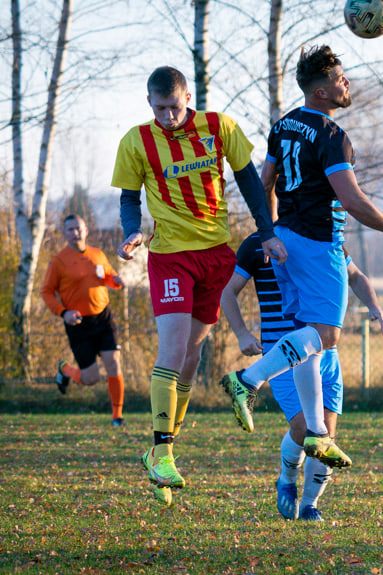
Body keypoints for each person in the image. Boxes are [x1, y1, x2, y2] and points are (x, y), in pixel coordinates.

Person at [219, 45, 383, 469]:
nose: (347, 84)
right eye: (341, 79)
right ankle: (247, 379)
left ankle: (316, 434)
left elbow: (265, 181)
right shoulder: (331, 136)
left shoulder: (283, 125)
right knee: (326, 337)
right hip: (319, 242)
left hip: (287, 240)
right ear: (322, 91)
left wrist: (269, 233)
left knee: (307, 338)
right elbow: (353, 201)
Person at [111, 66, 285, 506]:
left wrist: (266, 230)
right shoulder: (137, 141)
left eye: (175, 106)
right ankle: (165, 453)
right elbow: (129, 198)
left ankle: (160, 448)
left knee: (192, 355)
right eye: (160, 108)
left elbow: (249, 180)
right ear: (149, 103)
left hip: (216, 255)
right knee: (171, 350)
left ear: (189, 97)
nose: (168, 115)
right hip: (170, 257)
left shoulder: (219, 126)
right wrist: (133, 230)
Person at [221, 231, 383, 521]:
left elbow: (356, 276)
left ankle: (310, 505)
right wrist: (241, 333)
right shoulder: (257, 243)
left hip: (326, 350)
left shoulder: (323, 235)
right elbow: (228, 293)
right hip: (281, 353)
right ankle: (287, 478)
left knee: (326, 433)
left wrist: (374, 306)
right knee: (303, 428)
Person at [41, 215, 127, 427]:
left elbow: (107, 276)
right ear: (64, 233)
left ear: (86, 230)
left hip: (103, 318)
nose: (75, 233)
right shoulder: (58, 261)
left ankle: (117, 417)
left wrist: (116, 282)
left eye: (78, 228)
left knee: (114, 365)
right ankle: (65, 370)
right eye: (70, 229)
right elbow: (46, 292)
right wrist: (64, 313)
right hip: (77, 324)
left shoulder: (97, 254)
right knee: (91, 379)